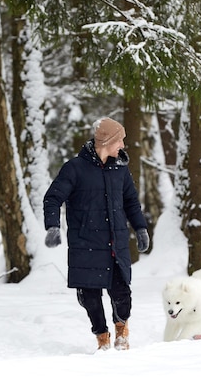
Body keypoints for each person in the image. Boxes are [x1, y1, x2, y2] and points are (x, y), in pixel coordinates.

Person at [43, 117, 150, 351]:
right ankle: (102, 338)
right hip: (86, 243)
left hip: (115, 242)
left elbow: (131, 202)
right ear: (108, 141)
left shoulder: (120, 169)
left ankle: (122, 331)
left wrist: (140, 228)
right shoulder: (75, 168)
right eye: (120, 140)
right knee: (90, 297)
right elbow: (53, 198)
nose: (122, 145)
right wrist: (52, 226)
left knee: (122, 292)